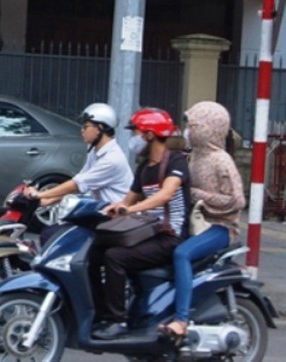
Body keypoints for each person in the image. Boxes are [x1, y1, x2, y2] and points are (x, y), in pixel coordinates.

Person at [90, 107, 191, 340]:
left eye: (135, 132)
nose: (133, 139)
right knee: (94, 250)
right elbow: (126, 200)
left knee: (115, 257)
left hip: (170, 237)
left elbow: (165, 194)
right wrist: (102, 210)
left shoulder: (176, 161)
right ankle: (98, 311)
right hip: (150, 234)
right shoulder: (144, 168)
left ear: (149, 135)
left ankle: (118, 321)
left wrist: (130, 209)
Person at [159, 101, 245, 337]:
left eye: (192, 125)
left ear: (206, 128)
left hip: (220, 227)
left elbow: (237, 200)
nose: (187, 130)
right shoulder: (194, 156)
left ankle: (181, 319)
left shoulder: (221, 160)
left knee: (182, 253)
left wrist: (198, 196)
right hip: (197, 222)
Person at [23, 103, 133, 244]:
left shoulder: (112, 159)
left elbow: (78, 184)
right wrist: (48, 201)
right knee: (51, 233)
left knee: (53, 236)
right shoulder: (95, 151)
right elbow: (81, 181)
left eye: (86, 126)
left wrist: (40, 194)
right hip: (98, 213)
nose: (82, 130)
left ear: (99, 128)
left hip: (112, 219)